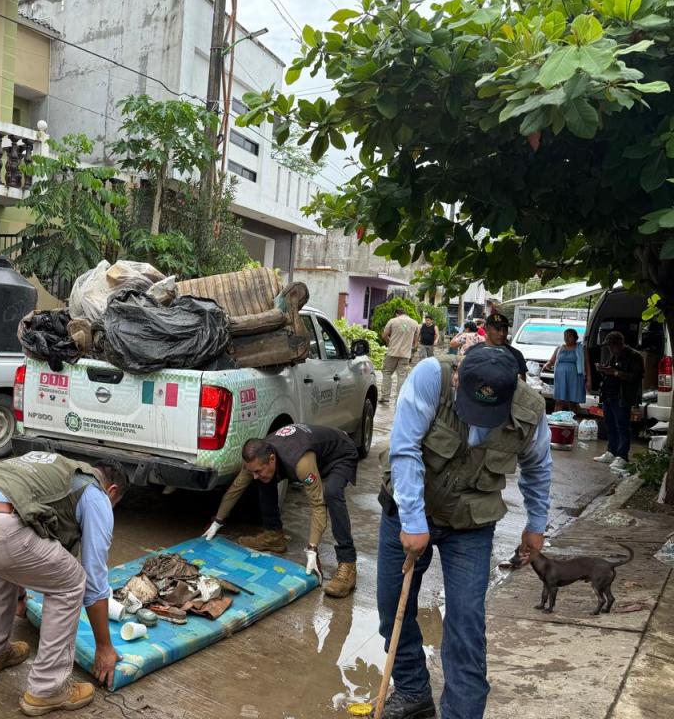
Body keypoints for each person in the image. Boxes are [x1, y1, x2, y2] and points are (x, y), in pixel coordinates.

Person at [377, 346, 551, 719]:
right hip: (410, 508)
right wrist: (412, 520)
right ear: (458, 377)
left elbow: (538, 466)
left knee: (466, 622)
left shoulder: (530, 409)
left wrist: (536, 524)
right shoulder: (430, 377)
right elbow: (404, 447)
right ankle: (412, 691)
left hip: (471, 525)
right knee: (391, 607)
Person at [0, 452, 128, 716]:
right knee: (72, 581)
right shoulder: (96, 493)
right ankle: (47, 690)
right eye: (115, 503)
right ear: (113, 490)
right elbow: (95, 581)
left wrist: (20, 596)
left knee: (1, 565)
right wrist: (104, 647)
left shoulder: (55, 466)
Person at [203, 423, 360, 597]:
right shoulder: (258, 456)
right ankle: (273, 536)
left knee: (331, 493)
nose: (254, 474)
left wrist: (312, 549)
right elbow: (237, 488)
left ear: (271, 459)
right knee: (263, 479)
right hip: (310, 453)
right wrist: (217, 521)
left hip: (340, 454)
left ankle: (348, 564)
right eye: (252, 471)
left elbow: (317, 505)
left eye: (258, 470)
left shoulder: (301, 463)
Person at [593, 331, 644, 474]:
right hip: (609, 394)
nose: (610, 349)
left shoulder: (634, 356)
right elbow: (612, 371)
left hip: (622, 396)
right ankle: (611, 451)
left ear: (619, 344)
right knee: (610, 425)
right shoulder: (615, 355)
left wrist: (615, 372)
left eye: (611, 346)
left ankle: (622, 456)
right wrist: (603, 370)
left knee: (622, 426)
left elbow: (636, 377)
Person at [543, 328, 588, 412]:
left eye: (569, 336)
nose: (566, 338)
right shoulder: (559, 348)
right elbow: (551, 361)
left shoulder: (581, 348)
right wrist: (547, 365)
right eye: (565, 336)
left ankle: (573, 422)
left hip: (575, 379)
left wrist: (589, 381)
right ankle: (556, 421)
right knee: (559, 401)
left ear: (576, 338)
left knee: (573, 402)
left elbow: (587, 365)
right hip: (560, 379)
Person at [381, 307, 420, 404]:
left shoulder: (393, 321)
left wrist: (389, 342)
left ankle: (385, 396)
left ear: (397, 314)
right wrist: (411, 349)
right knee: (402, 375)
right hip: (405, 354)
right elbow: (416, 342)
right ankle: (399, 398)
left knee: (387, 373)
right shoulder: (415, 323)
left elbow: (384, 335)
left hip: (392, 352)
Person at [478, 312, 527, 381]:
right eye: (497, 329)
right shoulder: (474, 351)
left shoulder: (516, 354)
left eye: (505, 330)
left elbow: (522, 381)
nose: (502, 334)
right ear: (486, 329)